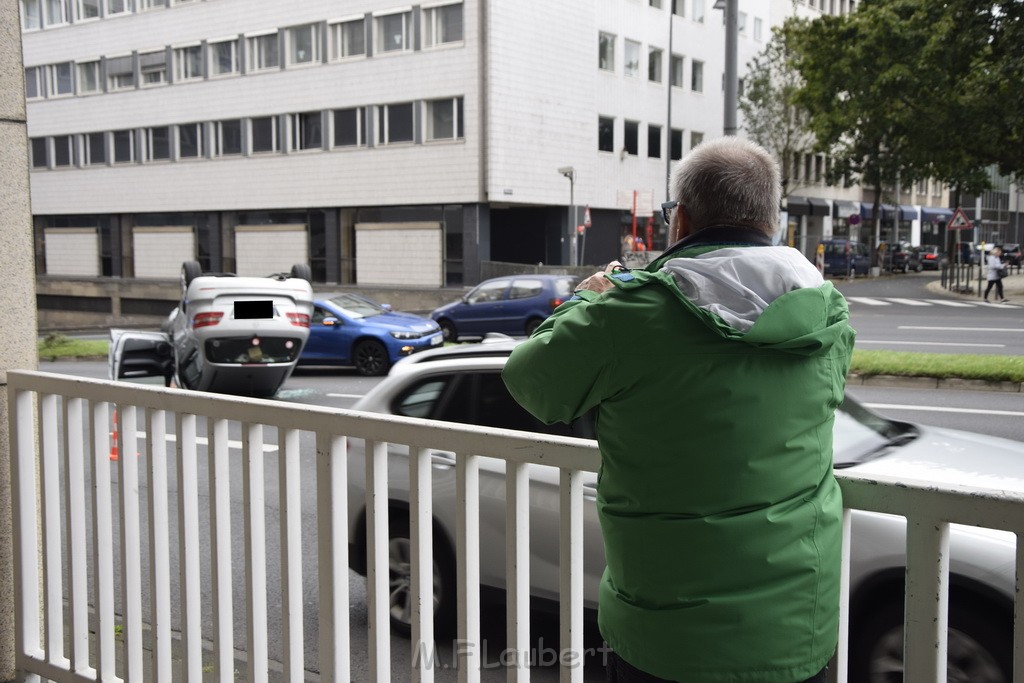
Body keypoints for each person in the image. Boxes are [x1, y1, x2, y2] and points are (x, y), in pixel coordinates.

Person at [502, 137, 855, 683]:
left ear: (681, 220)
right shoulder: (827, 315)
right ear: (772, 220)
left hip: (667, 640)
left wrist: (586, 299)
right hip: (796, 634)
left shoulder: (628, 314)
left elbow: (531, 382)